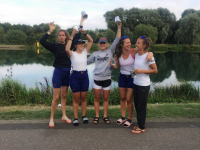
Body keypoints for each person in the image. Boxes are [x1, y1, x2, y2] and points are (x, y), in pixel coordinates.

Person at [39, 15, 87, 128]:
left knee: (64, 96)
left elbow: (79, 34)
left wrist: (81, 21)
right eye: (59, 35)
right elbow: (42, 41)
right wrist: (50, 30)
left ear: (66, 36)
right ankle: (51, 118)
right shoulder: (54, 46)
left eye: (63, 35)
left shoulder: (70, 45)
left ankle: (64, 115)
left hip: (67, 74)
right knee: (56, 97)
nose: (61, 37)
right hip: (58, 73)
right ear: (58, 37)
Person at [111, 36, 153, 127]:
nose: (130, 44)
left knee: (129, 98)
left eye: (130, 42)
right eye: (127, 43)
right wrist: (112, 64)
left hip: (132, 76)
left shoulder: (133, 51)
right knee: (122, 98)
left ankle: (129, 119)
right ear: (122, 45)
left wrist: (151, 53)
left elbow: (144, 51)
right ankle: (123, 117)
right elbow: (116, 66)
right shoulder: (117, 54)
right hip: (122, 76)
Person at [87, 22, 121, 124]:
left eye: (104, 43)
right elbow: (85, 62)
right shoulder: (94, 54)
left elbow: (117, 39)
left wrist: (119, 27)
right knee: (97, 99)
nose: (102, 45)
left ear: (107, 44)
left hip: (107, 79)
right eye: (101, 43)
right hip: (97, 79)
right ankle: (97, 116)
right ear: (99, 44)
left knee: (106, 98)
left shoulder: (110, 51)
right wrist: (74, 63)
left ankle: (105, 116)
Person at [65, 28, 93, 126]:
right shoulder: (72, 54)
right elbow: (67, 49)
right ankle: (76, 118)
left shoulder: (85, 52)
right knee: (76, 99)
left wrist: (85, 33)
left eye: (82, 43)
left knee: (84, 98)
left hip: (84, 76)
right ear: (75, 45)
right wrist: (72, 36)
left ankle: (84, 116)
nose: (82, 45)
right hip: (75, 77)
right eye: (80, 43)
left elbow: (91, 41)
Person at [130, 36, 158, 134]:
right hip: (136, 83)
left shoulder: (148, 56)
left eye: (138, 43)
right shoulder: (137, 54)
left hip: (143, 85)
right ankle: (139, 124)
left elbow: (155, 70)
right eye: (136, 42)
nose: (136, 44)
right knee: (137, 105)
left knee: (142, 107)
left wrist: (141, 71)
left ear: (144, 45)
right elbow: (125, 48)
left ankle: (141, 127)